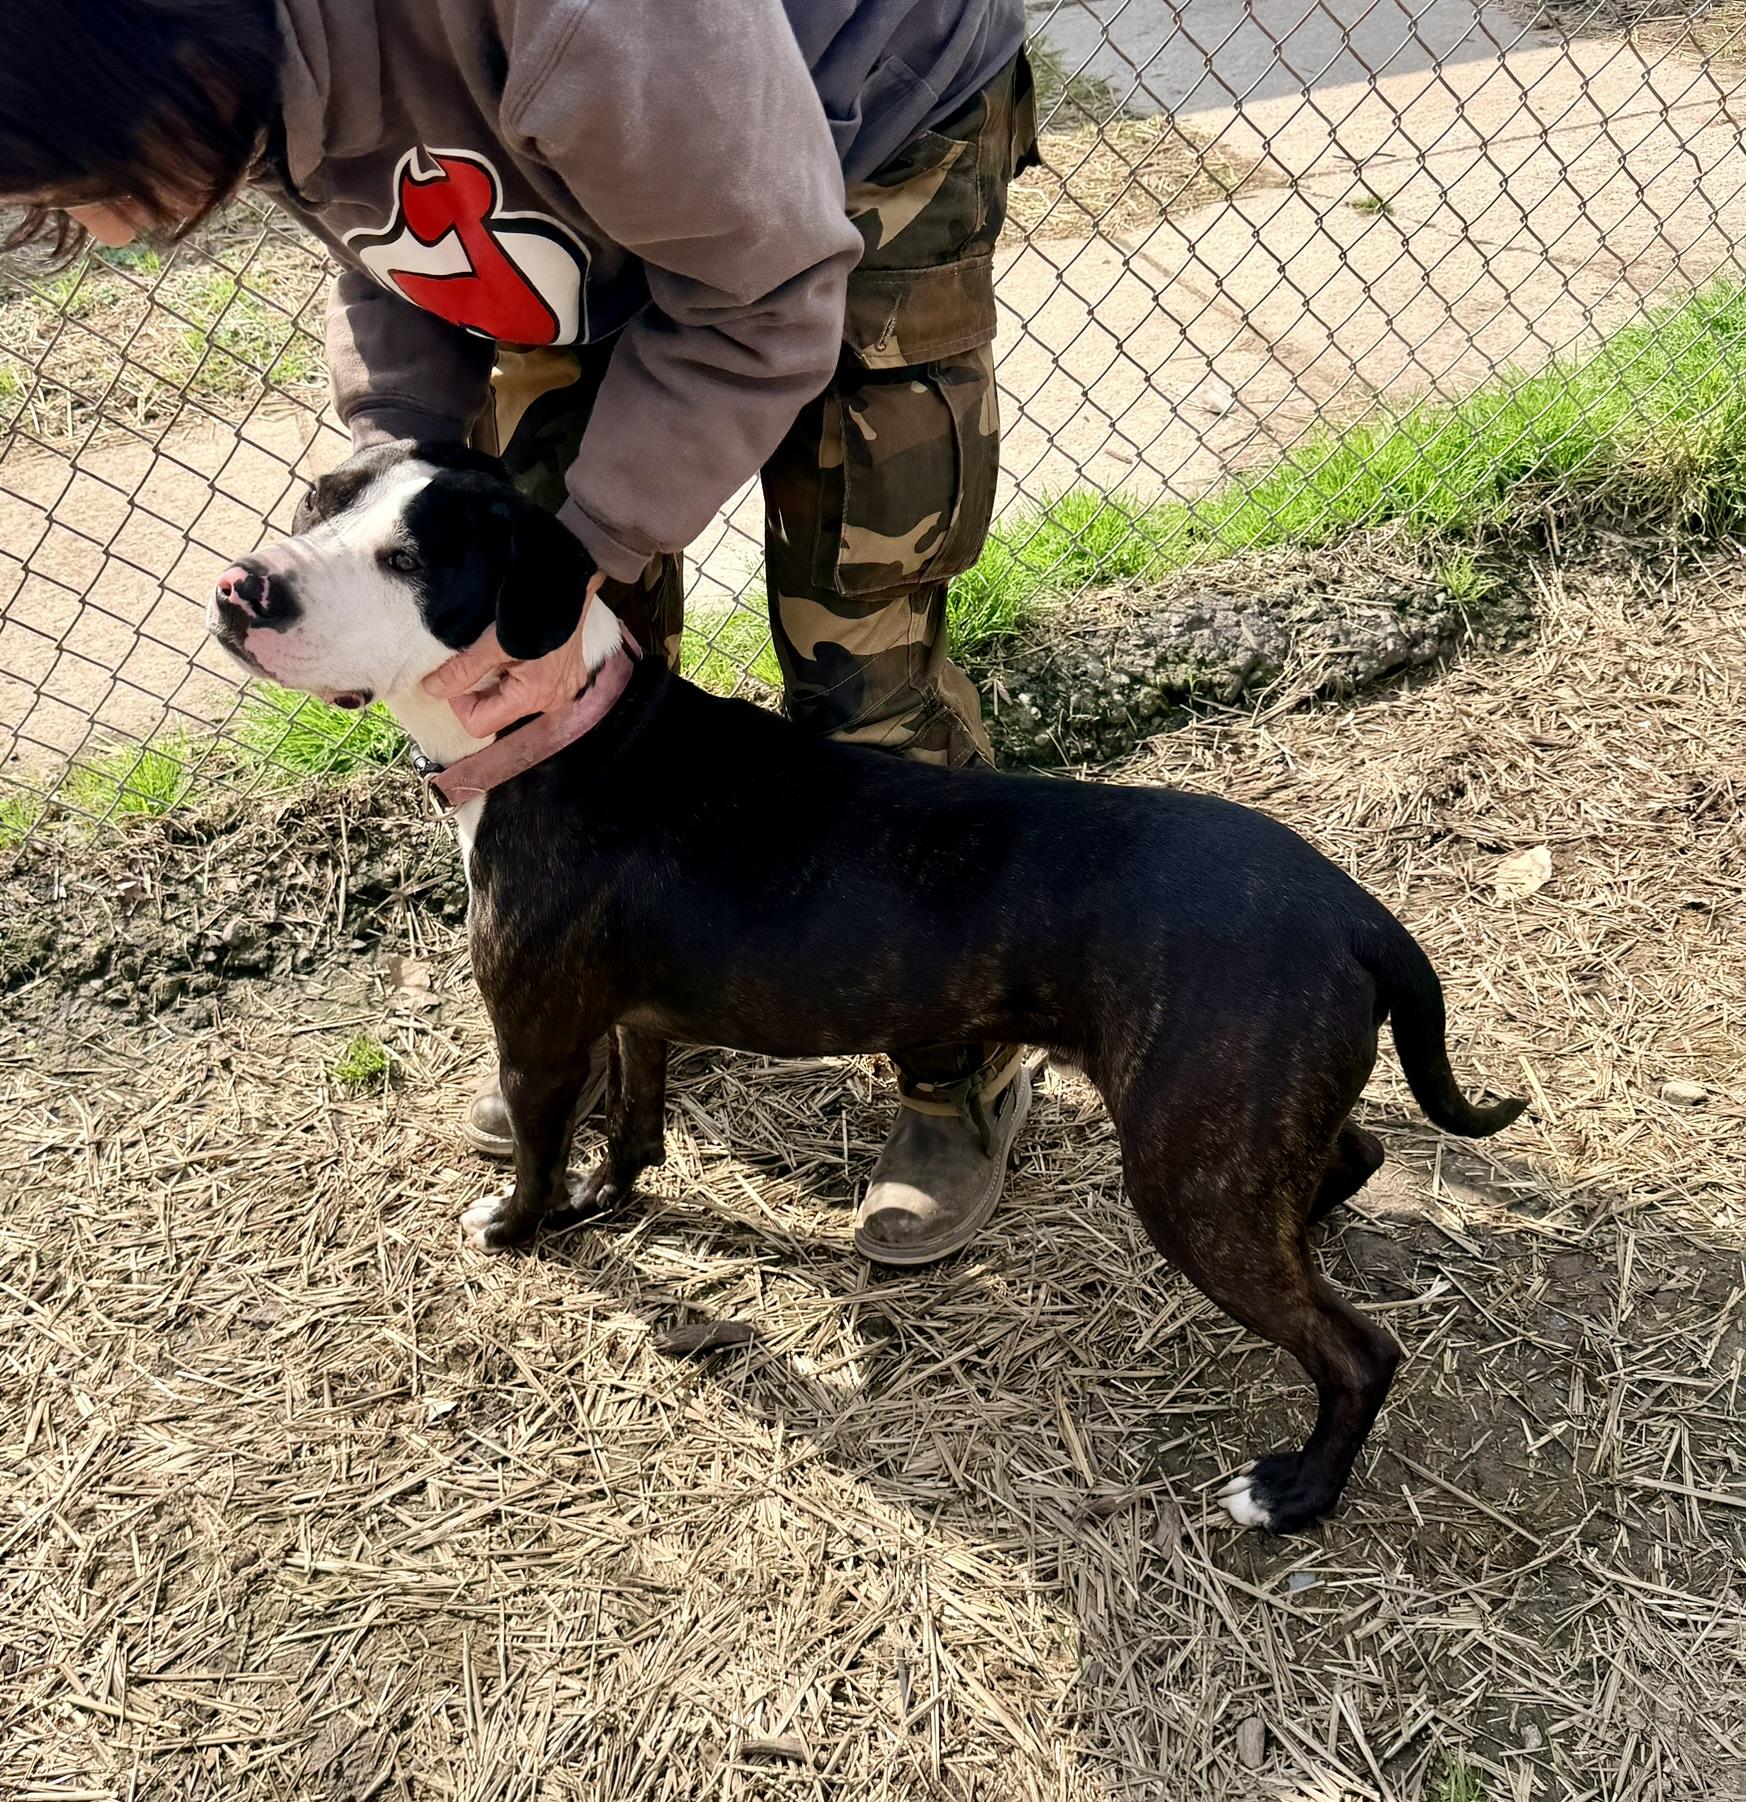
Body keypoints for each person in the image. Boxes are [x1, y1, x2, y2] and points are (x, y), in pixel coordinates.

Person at [0, 0, 1039, 1267]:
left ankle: (958, 1061)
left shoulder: (580, 15)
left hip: (862, 128)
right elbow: (399, 234)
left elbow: (765, 294)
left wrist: (591, 551)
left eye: (87, 185)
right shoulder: (257, 60)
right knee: (553, 666)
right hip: (606, 144)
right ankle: (602, 996)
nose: (100, 233)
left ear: (169, 59)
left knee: (856, 678)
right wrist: (404, 460)